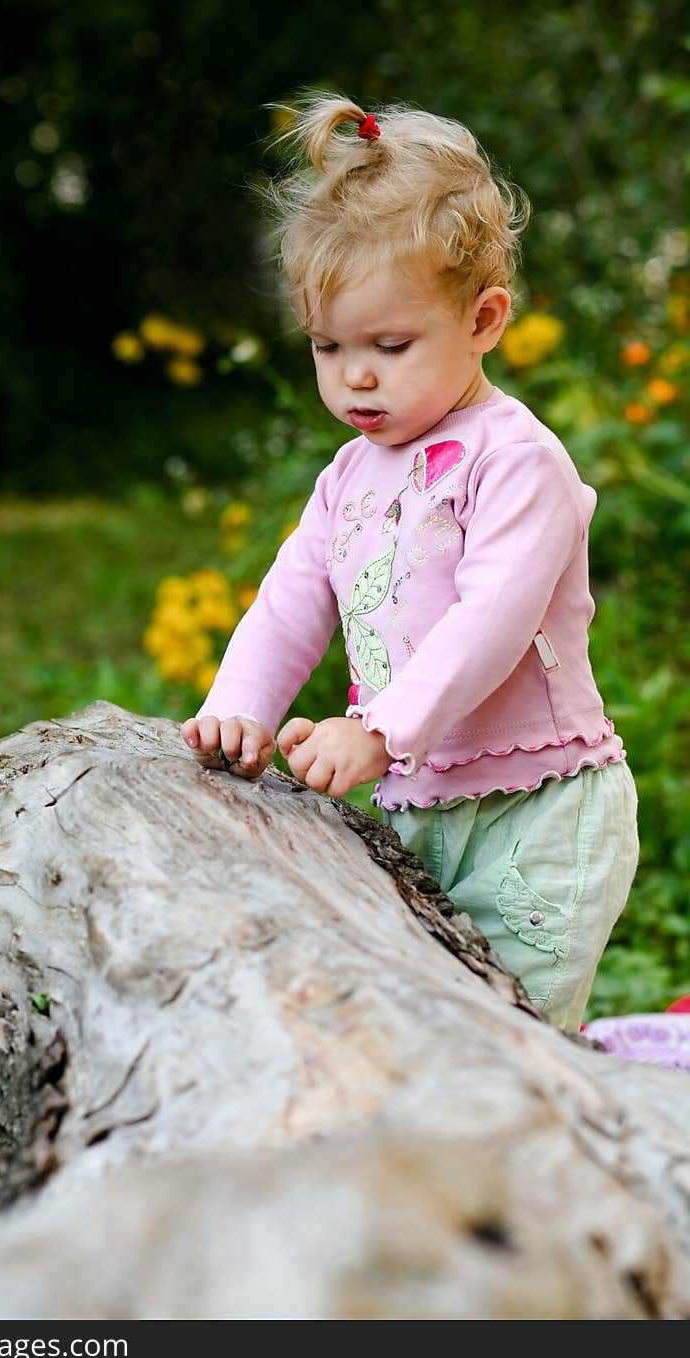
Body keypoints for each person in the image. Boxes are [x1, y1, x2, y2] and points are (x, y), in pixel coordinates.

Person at [179, 92, 639, 1033]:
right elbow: (293, 596)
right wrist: (239, 709)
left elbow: (492, 622)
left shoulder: (518, 462)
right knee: (427, 1020)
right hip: (418, 804)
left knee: (515, 1029)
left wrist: (378, 730)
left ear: (485, 319)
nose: (355, 375)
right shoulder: (349, 473)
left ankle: (550, 1161)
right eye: (328, 346)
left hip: (540, 814)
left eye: (390, 345)